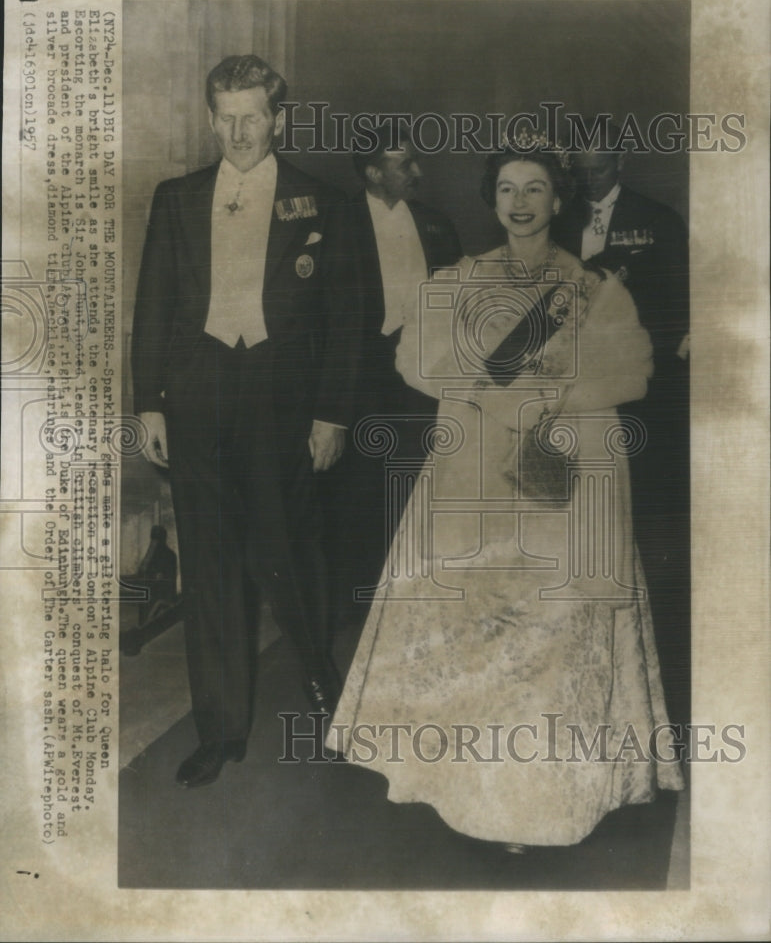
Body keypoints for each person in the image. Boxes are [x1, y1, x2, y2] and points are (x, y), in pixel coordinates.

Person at [328, 136, 684, 849]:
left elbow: (634, 371)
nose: (520, 204)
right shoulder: (458, 278)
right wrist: (496, 396)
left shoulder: (592, 286)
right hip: (477, 475)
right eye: (506, 191)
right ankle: (468, 783)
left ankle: (541, 795)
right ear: (491, 202)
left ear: (558, 200)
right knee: (480, 624)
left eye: (535, 190)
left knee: (556, 627)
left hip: (563, 475)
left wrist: (549, 396)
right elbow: (415, 359)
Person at [132, 54, 361, 788]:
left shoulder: (321, 202)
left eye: (252, 116)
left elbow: (346, 321)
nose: (238, 131)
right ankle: (221, 729)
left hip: (284, 404)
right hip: (198, 401)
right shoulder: (176, 198)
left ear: (278, 118)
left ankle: (323, 685)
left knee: (287, 554)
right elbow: (154, 308)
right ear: (209, 119)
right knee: (210, 569)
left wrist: (331, 413)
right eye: (225, 117)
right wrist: (148, 401)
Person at [552, 117, 690, 726]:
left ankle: (654, 679)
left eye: (601, 169)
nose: (591, 179)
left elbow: (680, 312)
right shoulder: (555, 219)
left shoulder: (658, 221)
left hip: (641, 401)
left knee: (648, 533)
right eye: (581, 170)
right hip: (572, 401)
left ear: (622, 161)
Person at [322, 124, 462, 632]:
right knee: (358, 505)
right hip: (359, 385)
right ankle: (358, 621)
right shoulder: (334, 221)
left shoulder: (437, 226)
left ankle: (414, 615)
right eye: (407, 166)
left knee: (416, 497)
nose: (419, 172)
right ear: (374, 172)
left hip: (421, 388)